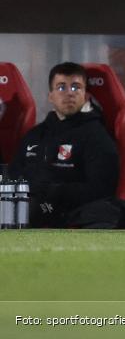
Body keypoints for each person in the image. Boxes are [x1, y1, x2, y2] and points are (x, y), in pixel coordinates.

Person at [9, 63, 119, 228]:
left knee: (27, 211)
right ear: (50, 96)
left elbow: (101, 189)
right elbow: (13, 175)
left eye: (76, 88)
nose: (69, 93)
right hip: (24, 202)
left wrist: (53, 191)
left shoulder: (97, 136)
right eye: (61, 88)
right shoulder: (35, 135)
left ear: (85, 95)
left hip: (65, 210)